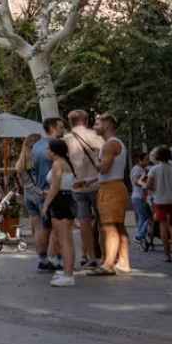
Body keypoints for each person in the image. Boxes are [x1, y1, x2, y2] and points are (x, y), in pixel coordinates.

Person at [18, 117, 65, 272]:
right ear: (52, 127)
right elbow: (48, 176)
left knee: (38, 228)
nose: (63, 129)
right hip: (44, 192)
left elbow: (23, 180)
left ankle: (42, 259)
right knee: (50, 228)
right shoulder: (48, 148)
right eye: (61, 126)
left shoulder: (28, 156)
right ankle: (54, 258)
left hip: (29, 194)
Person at [66, 109, 105, 270]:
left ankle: (89, 256)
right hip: (97, 184)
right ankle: (105, 256)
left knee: (84, 222)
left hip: (77, 186)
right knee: (102, 222)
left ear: (70, 122)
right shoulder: (97, 137)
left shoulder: (66, 139)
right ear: (87, 120)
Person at [93, 113, 131, 276]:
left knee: (109, 227)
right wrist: (89, 181)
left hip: (111, 189)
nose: (94, 126)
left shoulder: (110, 144)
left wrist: (94, 159)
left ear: (107, 124)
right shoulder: (115, 143)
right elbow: (108, 171)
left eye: (97, 123)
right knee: (118, 227)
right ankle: (123, 262)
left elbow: (104, 168)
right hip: (114, 186)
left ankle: (108, 264)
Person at [42, 137, 80, 287]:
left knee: (64, 240)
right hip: (66, 199)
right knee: (64, 238)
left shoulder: (58, 163)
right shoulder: (65, 162)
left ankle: (68, 275)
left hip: (60, 201)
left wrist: (46, 204)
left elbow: (55, 186)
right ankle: (67, 270)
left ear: (53, 151)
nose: (46, 151)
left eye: (48, 149)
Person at [150, 146, 172, 265]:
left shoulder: (154, 169)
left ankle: (167, 255)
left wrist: (155, 189)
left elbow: (149, 185)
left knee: (163, 227)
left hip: (160, 201)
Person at [131, 151, 155, 250]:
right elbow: (136, 182)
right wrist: (146, 181)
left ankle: (142, 239)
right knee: (147, 218)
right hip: (139, 197)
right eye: (146, 159)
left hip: (139, 197)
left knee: (145, 218)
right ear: (139, 160)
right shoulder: (138, 169)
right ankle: (139, 236)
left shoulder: (141, 169)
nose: (148, 161)